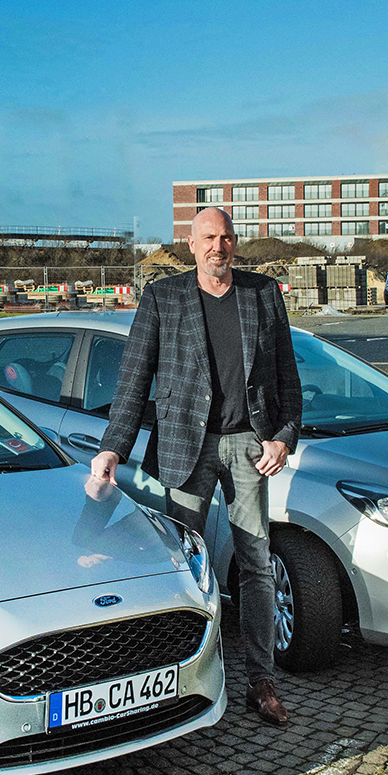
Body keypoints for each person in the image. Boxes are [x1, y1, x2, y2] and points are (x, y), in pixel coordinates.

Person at [90, 206, 301, 726]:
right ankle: (180, 675)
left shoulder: (262, 295)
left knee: (255, 562)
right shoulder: (164, 298)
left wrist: (283, 437)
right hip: (188, 448)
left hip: (250, 447)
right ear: (190, 243)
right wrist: (113, 447)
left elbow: (288, 381)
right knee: (183, 563)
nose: (218, 246)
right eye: (209, 237)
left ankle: (261, 679)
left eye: (226, 237)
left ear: (235, 243)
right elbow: (134, 381)